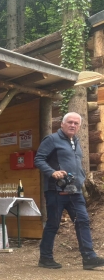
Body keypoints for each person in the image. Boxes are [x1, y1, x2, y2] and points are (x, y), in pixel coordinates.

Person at [34, 112, 104, 270]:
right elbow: (38, 159)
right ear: (62, 124)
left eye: (76, 123)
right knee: (53, 224)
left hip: (75, 191)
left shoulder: (76, 141)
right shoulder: (52, 139)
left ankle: (89, 258)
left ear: (79, 127)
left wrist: (82, 178)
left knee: (83, 221)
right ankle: (45, 257)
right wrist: (52, 172)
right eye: (70, 122)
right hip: (56, 190)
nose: (73, 125)